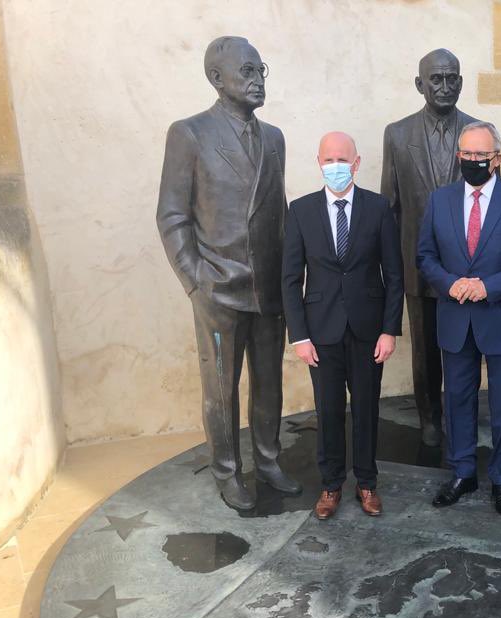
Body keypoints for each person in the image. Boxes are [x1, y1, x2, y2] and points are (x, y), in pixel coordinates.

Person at [157, 36, 300, 512]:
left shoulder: (274, 138)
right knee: (221, 389)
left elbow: (277, 212)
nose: (258, 80)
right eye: (247, 71)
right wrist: (195, 280)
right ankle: (227, 471)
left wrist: (289, 276)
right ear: (217, 79)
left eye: (261, 70)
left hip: (269, 287)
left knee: (269, 383)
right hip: (217, 287)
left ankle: (268, 461)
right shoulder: (190, 133)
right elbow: (172, 215)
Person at [416, 121, 501, 516]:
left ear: (497, 158)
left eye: (481, 154)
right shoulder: (439, 200)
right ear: (459, 155)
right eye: (467, 153)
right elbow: (425, 256)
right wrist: (450, 283)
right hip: (456, 318)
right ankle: (462, 472)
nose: (473, 160)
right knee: (457, 400)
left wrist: (488, 286)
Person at [282, 132, 404, 520]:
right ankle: (331, 485)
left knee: (366, 409)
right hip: (320, 333)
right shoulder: (300, 210)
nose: (336, 166)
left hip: (369, 331)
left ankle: (367, 483)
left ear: (356, 163)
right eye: (328, 159)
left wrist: (389, 330)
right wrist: (299, 336)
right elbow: (290, 280)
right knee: (328, 410)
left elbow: (394, 275)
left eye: (343, 159)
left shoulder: (379, 208)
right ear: (319, 163)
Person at [382, 49, 479, 447]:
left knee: (463, 347)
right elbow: (390, 206)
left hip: (466, 266)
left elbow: (490, 204)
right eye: (436, 79)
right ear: (420, 84)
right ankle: (429, 418)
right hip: (417, 265)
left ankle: (460, 416)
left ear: (461, 81)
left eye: (452, 78)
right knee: (423, 350)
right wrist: (393, 268)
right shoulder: (397, 134)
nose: (444, 86)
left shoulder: (478, 132)